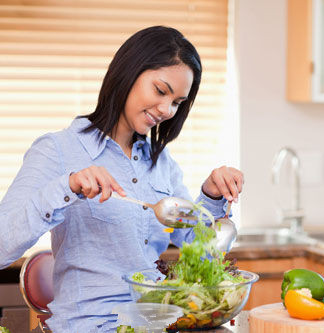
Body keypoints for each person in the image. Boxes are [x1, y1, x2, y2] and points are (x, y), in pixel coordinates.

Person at [0, 26, 243, 332]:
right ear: (128, 73)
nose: (167, 110)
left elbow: (203, 249)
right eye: (160, 90)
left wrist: (211, 196)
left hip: (156, 324)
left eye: (178, 102)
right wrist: (68, 186)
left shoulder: (162, 164)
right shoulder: (58, 150)